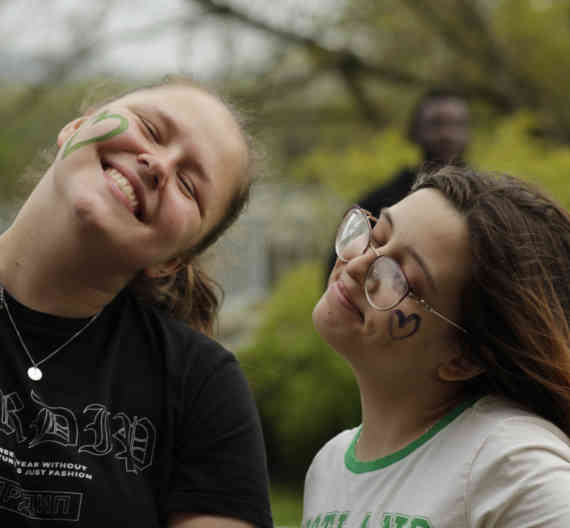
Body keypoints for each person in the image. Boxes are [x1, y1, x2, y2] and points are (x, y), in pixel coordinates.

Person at [0, 77, 273, 527]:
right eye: (149, 128)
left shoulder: (202, 387)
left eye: (188, 185)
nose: (158, 164)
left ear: (172, 260)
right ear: (76, 127)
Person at [304, 166, 570, 527]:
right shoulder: (329, 465)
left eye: (401, 278)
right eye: (378, 234)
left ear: (464, 358)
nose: (359, 264)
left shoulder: (512, 464)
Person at [325, 89, 471, 281]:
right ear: (414, 132)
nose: (447, 134)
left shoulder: (485, 201)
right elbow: (339, 271)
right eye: (436, 124)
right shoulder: (377, 203)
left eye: (457, 124)